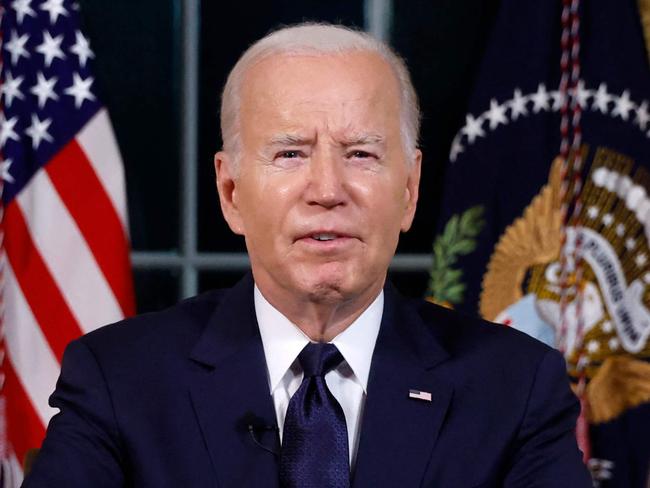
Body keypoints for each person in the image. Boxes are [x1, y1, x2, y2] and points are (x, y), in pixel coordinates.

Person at [24, 23, 592, 487]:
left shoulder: (517, 390)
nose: (327, 188)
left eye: (362, 154)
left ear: (410, 190)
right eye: (291, 153)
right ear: (232, 194)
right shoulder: (120, 382)